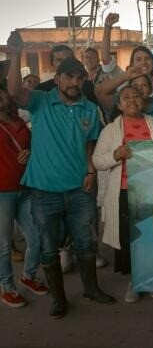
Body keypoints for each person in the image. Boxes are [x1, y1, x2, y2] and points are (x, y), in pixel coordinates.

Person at [5, 31, 115, 318]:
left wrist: (91, 170)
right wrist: (15, 55)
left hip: (80, 188)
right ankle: (58, 299)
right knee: (48, 247)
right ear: (57, 79)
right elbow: (14, 91)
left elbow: (89, 143)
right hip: (44, 191)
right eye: (69, 77)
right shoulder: (40, 101)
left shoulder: (88, 108)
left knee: (85, 242)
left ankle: (91, 289)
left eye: (79, 78)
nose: (74, 82)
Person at [93, 85, 153, 303]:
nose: (132, 100)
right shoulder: (110, 130)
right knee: (130, 239)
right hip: (124, 191)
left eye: (136, 96)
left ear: (143, 101)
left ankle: (152, 281)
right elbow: (97, 161)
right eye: (126, 97)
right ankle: (136, 282)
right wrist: (116, 154)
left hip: (150, 191)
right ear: (119, 105)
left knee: (151, 237)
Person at [0, 87, 47, 308]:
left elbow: (31, 145)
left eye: (1, 92)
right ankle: (7, 287)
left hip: (24, 186)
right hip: (2, 192)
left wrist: (30, 152)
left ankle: (28, 276)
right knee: (3, 245)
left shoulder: (18, 120)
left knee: (36, 236)